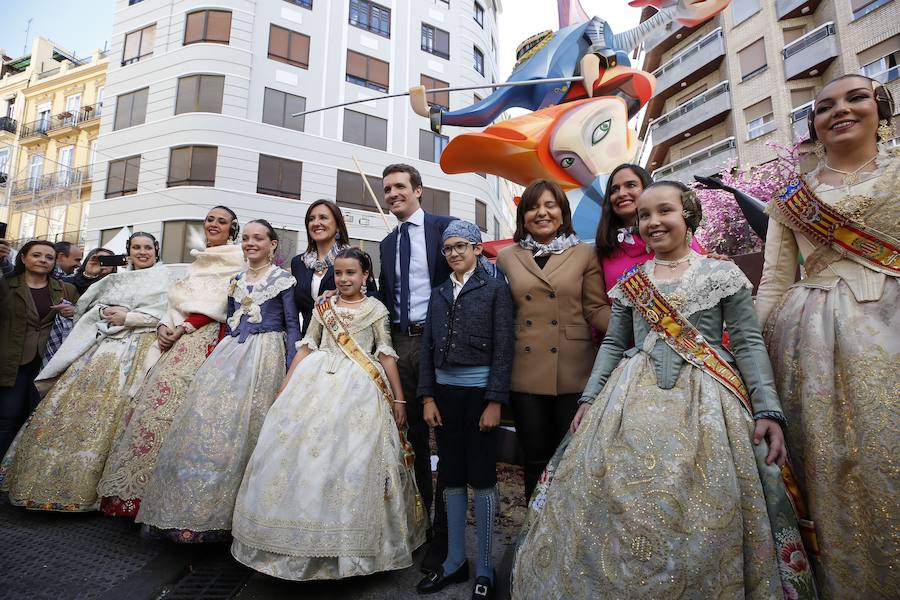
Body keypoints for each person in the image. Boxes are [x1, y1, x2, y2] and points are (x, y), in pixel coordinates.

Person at [511, 181, 817, 599]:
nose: (653, 222)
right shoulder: (633, 282)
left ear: (688, 216)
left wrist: (767, 410)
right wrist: (589, 399)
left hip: (708, 402)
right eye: (644, 215)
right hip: (629, 398)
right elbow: (616, 344)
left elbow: (746, 342)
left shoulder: (720, 273)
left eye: (665, 211)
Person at [755, 74, 899, 599]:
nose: (839, 110)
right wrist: (757, 375)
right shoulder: (792, 199)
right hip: (809, 346)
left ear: (881, 109)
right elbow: (773, 282)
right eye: (823, 106)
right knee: (829, 473)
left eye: (856, 97)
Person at [231, 247, 425, 579]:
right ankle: (296, 538)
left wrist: (399, 399)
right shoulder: (324, 307)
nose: (344, 278)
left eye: (351, 273)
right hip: (315, 383)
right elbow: (307, 346)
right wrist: (286, 385)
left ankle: (351, 548)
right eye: (338, 273)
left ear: (366, 276)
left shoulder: (376, 309)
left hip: (361, 387)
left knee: (353, 460)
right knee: (305, 457)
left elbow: (385, 353)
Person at [136, 220, 300, 542]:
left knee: (251, 428)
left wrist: (291, 368)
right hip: (230, 353)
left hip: (267, 354)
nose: (251, 243)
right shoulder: (236, 279)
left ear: (273, 244)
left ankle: (242, 517)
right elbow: (229, 320)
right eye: (248, 238)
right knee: (210, 424)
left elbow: (293, 326)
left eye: (259, 238)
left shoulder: (283, 280)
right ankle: (193, 512)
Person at [0, 233, 171, 512]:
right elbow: (87, 307)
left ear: (156, 250)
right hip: (101, 349)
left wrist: (128, 317)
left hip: (142, 348)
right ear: (128, 253)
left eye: (147, 248)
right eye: (136, 247)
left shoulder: (167, 278)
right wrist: (106, 311)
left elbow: (166, 313)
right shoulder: (113, 280)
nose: (142, 252)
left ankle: (110, 493)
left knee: (123, 415)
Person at [97, 207, 245, 518]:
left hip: (207, 337)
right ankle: (134, 494)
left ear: (233, 229)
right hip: (177, 338)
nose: (214, 224)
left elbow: (223, 302)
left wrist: (186, 325)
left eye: (222, 221)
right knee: (155, 407)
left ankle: (176, 502)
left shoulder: (237, 259)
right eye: (210, 219)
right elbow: (176, 299)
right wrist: (165, 325)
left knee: (187, 412)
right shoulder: (197, 261)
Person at [415, 221, 514, 599]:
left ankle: (485, 567)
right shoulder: (439, 292)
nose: (454, 253)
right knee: (451, 476)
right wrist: (426, 397)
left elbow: (504, 347)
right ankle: (455, 560)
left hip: (479, 398)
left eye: (461, 246)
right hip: (443, 397)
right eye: (448, 248)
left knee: (483, 477)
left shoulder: (494, 289)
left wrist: (494, 402)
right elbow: (426, 348)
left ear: (477, 248)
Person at [495, 179, 610, 501]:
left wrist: (634, 329)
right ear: (523, 216)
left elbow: (596, 308)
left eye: (550, 205)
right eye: (532, 207)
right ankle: (534, 536)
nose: (541, 213)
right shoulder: (506, 257)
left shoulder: (584, 253)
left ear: (563, 212)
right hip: (525, 368)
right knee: (533, 459)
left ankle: (565, 538)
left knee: (570, 459)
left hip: (573, 370)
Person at [377, 163, 455, 572]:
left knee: (447, 433)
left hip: (440, 340)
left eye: (399, 187)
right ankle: (423, 524)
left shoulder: (445, 228)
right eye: (386, 189)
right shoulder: (387, 244)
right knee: (413, 440)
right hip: (401, 341)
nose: (392, 194)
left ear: (418, 190)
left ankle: (448, 532)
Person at [0, 241, 78, 456]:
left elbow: (82, 320)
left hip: (49, 363)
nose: (43, 260)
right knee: (7, 418)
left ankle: (18, 473)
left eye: (49, 257)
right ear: (23, 258)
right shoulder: (6, 284)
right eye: (36, 255)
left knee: (38, 419)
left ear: (54, 262)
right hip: (11, 362)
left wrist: (74, 312)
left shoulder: (65, 288)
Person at [595, 163, 704, 292]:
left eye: (631, 185)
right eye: (614, 190)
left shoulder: (679, 238)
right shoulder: (604, 249)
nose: (621, 193)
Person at [291, 199, 376, 336]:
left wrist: (341, 293)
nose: (316, 223)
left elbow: (374, 300)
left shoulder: (358, 258)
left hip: (347, 342)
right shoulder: (298, 263)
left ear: (337, 226)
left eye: (323, 217)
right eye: (311, 219)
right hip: (308, 342)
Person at [41, 247, 118, 367]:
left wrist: (77, 311)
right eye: (100, 259)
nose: (104, 263)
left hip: (100, 342)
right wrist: (90, 275)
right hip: (66, 341)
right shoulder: (67, 282)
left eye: (109, 260)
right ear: (89, 261)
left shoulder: (120, 286)